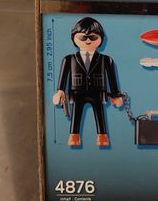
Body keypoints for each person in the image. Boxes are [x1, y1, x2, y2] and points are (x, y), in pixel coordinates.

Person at [53, 17, 123, 147]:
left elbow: (112, 78)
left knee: (100, 113)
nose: (88, 41)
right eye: (83, 37)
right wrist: (60, 91)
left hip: (98, 91)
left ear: (101, 38)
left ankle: (102, 136)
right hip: (77, 91)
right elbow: (63, 76)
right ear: (74, 38)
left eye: (93, 37)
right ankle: (74, 136)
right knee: (76, 113)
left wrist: (116, 94)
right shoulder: (69, 59)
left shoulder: (106, 60)